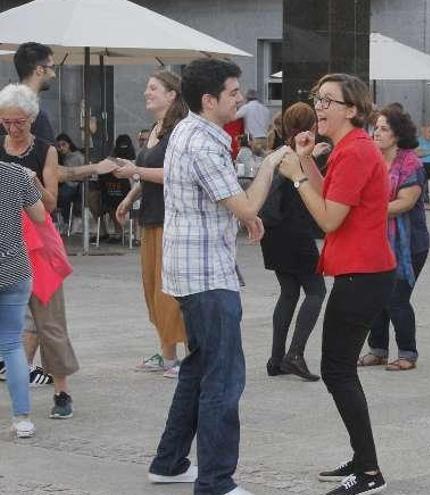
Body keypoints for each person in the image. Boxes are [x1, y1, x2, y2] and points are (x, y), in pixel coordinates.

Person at [147, 58, 290, 495]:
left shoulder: (193, 132)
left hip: (196, 269)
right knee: (223, 380)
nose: (240, 98)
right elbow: (246, 205)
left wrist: (242, 218)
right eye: (233, 92)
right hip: (206, 276)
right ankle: (215, 482)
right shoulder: (203, 141)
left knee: (199, 369)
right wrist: (272, 164)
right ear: (209, 100)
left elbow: (223, 205)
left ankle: (170, 463)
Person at [277, 73, 396, 495]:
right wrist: (308, 161)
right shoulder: (351, 148)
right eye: (317, 98)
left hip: (363, 273)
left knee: (337, 369)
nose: (319, 107)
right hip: (361, 271)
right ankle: (362, 459)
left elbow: (327, 217)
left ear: (352, 109)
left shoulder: (356, 151)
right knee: (339, 369)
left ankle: (369, 472)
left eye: (329, 100)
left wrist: (294, 175)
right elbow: (331, 195)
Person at [0, 83, 113, 416]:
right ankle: (19, 395)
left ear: (32, 119)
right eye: (6, 121)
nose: (12, 128)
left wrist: (27, 180)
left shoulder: (45, 150)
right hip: (6, 236)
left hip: (37, 239)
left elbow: (49, 205)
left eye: (19, 121)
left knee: (49, 319)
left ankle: (62, 392)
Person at [113, 71, 189, 378]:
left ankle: (189, 355)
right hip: (151, 216)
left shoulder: (180, 130)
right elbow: (147, 171)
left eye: (153, 88)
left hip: (172, 218)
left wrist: (135, 171)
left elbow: (173, 173)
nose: (146, 93)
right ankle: (167, 353)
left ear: (172, 94)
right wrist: (130, 198)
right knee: (152, 289)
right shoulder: (157, 127)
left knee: (171, 291)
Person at [359, 104, 430, 371]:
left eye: (384, 129)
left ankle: (407, 353)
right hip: (377, 240)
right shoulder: (371, 159)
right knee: (375, 296)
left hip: (409, 245)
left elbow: (406, 202)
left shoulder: (410, 163)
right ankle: (377, 349)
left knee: (396, 298)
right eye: (375, 127)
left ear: (397, 135)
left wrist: (368, 211)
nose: (377, 133)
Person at [258, 102, 325, 381]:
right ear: (311, 127)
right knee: (316, 291)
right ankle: (294, 353)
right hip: (295, 231)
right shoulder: (302, 155)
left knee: (288, 292)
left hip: (273, 232)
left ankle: (276, 359)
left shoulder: (277, 154)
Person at [0, 157, 46, 438]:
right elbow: (40, 216)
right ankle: (22, 419)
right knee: (12, 344)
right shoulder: (15, 173)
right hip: (15, 267)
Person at [9, 42, 56, 142]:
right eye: (52, 67)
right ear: (39, 70)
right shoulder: (36, 116)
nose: (54, 75)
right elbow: (46, 157)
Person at [55, 133, 85, 227]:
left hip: (75, 184)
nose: (62, 148)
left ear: (69, 144)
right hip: (64, 184)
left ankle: (70, 220)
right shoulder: (58, 157)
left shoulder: (78, 156)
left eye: (64, 145)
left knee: (64, 195)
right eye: (59, 146)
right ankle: (64, 220)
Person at [235, 89, 272, 155]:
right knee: (262, 160)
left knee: (252, 160)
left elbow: (234, 116)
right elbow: (269, 125)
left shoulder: (246, 107)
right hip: (264, 139)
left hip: (252, 138)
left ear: (247, 98)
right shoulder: (265, 109)